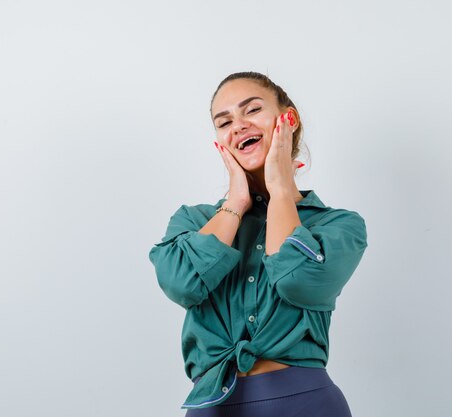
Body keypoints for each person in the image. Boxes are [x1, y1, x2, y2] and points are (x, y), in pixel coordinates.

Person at [149, 71, 368, 416]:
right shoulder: (193, 222)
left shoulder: (339, 226)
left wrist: (280, 188)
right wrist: (235, 201)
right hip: (213, 407)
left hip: (306, 404)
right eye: (224, 122)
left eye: (251, 110)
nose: (238, 125)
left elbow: (296, 279)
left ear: (288, 119)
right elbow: (181, 284)